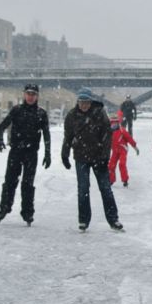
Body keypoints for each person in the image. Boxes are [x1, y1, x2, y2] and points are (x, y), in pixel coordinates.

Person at [61, 87, 123, 232]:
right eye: (82, 102)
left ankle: (113, 219)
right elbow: (68, 136)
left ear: (91, 101)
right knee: (83, 189)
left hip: (98, 157)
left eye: (87, 102)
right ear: (78, 102)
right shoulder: (72, 115)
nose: (84, 105)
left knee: (106, 189)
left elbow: (107, 136)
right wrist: (65, 154)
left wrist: (104, 157)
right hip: (81, 157)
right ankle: (83, 220)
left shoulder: (99, 113)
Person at [0, 83, 50, 225]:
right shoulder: (16, 110)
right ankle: (4, 207)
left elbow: (46, 134)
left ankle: (27, 213)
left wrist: (48, 153)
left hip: (31, 153)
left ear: (37, 96)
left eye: (33, 94)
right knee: (10, 181)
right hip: (16, 152)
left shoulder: (41, 113)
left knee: (27, 184)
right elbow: (2, 126)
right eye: (28, 94)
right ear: (24, 95)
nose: (30, 97)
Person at [108, 113, 139, 187]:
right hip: (115, 151)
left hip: (122, 150)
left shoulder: (122, 130)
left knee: (122, 164)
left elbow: (130, 139)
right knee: (111, 166)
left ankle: (125, 180)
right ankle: (111, 180)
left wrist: (135, 148)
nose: (113, 125)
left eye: (115, 123)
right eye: (112, 123)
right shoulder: (109, 132)